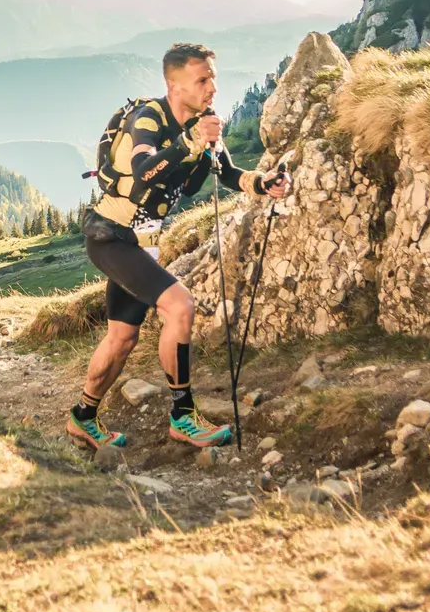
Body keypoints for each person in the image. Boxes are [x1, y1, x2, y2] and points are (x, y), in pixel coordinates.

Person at [68, 42, 292, 451]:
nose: (212, 89)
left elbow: (226, 173)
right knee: (181, 305)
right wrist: (190, 142)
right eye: (202, 79)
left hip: (142, 244)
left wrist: (264, 183)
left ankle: (82, 416)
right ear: (174, 85)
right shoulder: (148, 119)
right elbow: (143, 169)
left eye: (214, 79)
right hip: (112, 238)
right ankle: (182, 417)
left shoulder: (204, 123)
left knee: (122, 338)